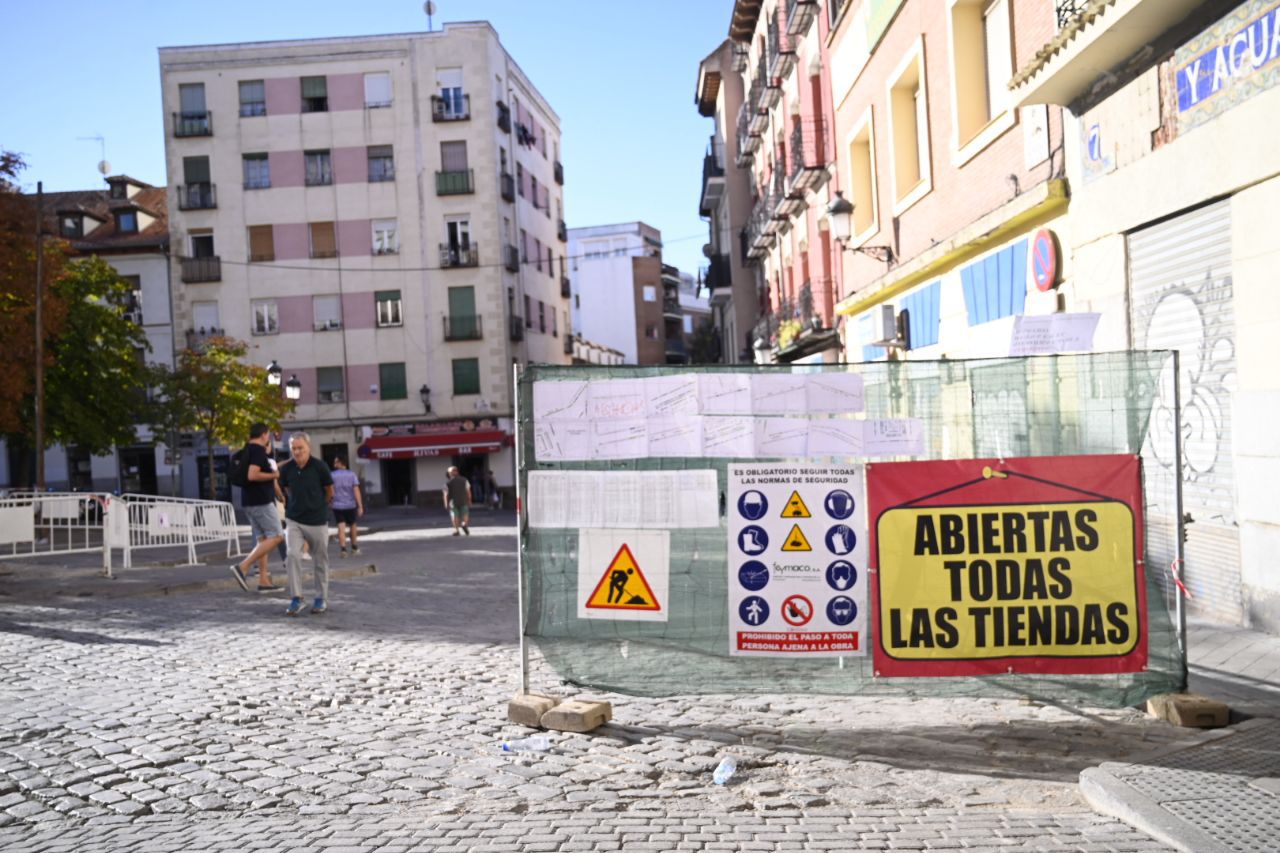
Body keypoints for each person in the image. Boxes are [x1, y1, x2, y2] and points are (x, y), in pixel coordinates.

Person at [278, 432, 334, 616]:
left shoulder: (320, 467)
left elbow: (329, 491)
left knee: (320, 560)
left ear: (308, 447)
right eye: (294, 448)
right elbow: (284, 486)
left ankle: (321, 598)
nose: (297, 452)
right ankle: (297, 597)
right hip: (294, 519)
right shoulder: (288, 468)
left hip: (317, 520)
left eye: (300, 448)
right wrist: (287, 500)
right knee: (293, 555)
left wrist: (319, 506)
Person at [230, 423, 284, 593]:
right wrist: (274, 474)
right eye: (268, 435)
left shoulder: (246, 450)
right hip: (261, 501)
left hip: (249, 501)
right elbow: (253, 475)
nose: (268, 438)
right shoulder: (258, 450)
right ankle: (242, 567)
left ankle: (264, 581)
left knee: (263, 541)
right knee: (277, 536)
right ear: (263, 435)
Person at [330, 456, 364, 557]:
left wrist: (330, 501)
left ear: (341, 463)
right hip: (350, 505)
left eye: (336, 462)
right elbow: (356, 491)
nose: (334, 464)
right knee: (353, 525)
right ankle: (354, 547)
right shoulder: (352, 475)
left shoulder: (332, 475)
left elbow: (330, 490)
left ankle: (343, 549)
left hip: (337, 505)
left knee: (341, 527)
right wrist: (360, 506)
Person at [445, 465, 471, 536]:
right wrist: (469, 500)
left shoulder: (448, 483)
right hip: (463, 500)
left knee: (454, 516)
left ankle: (457, 530)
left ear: (450, 473)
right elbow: (468, 491)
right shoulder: (465, 480)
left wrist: (446, 504)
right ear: (457, 472)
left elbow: (446, 494)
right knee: (465, 513)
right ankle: (464, 524)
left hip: (453, 502)